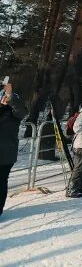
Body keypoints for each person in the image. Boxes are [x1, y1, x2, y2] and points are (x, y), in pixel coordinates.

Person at [1, 80, 22, 217]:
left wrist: (10, 95)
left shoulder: (13, 114)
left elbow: (21, 111)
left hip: (5, 155)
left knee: (1, 182)